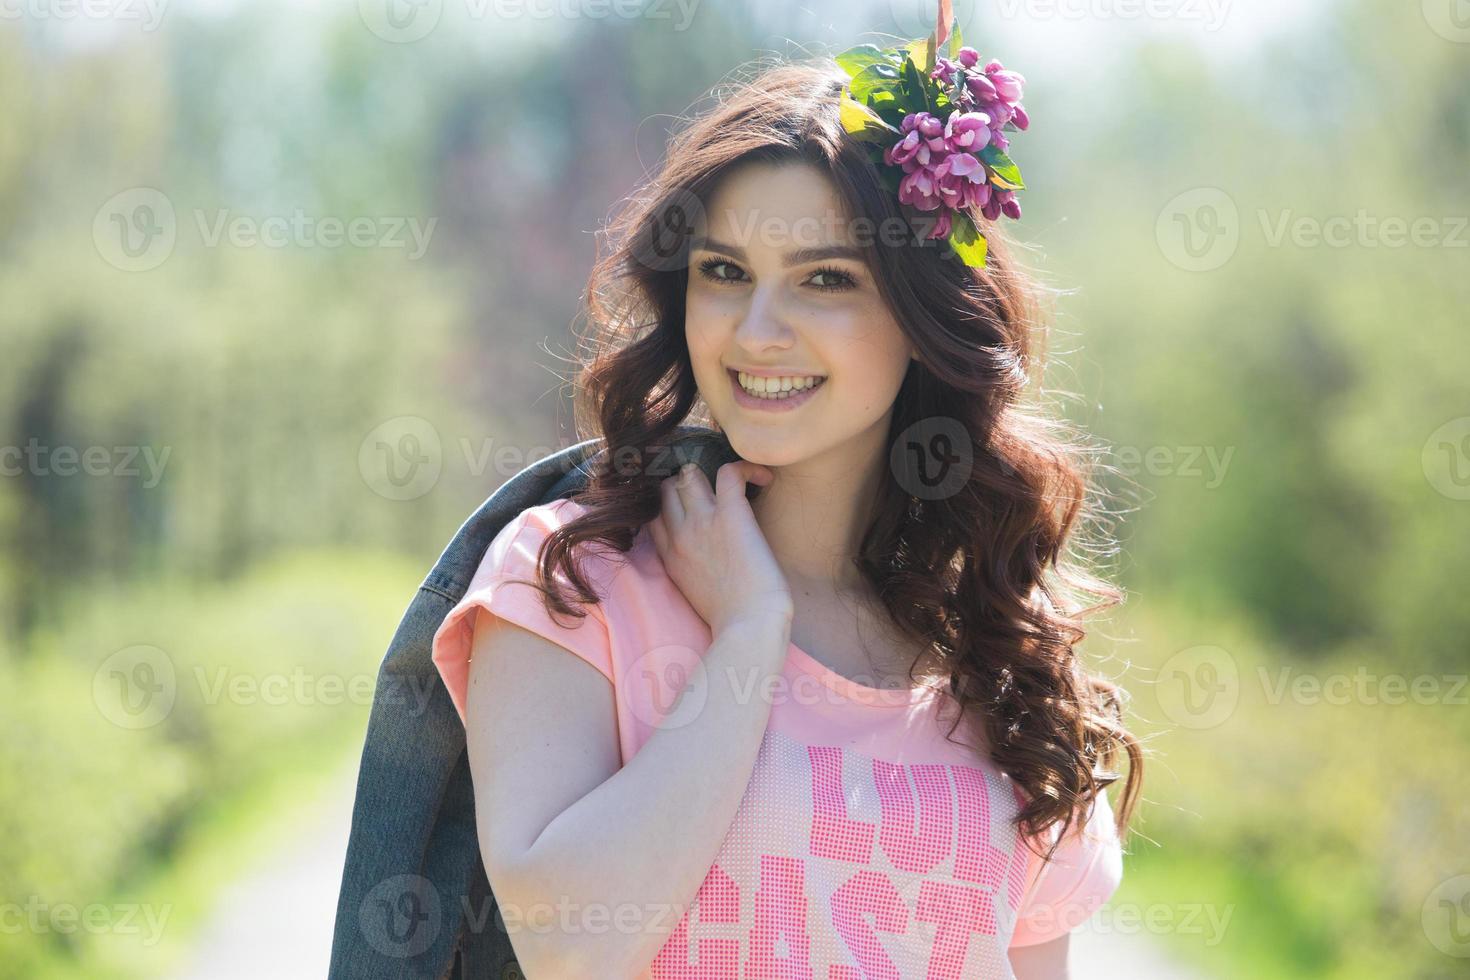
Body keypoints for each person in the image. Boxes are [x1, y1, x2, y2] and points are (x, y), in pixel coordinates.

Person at [430, 37, 1143, 980]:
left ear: (924, 318)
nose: (758, 332)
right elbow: (570, 947)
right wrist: (749, 633)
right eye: (724, 272)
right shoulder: (571, 581)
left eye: (826, 279)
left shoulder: (1000, 653)